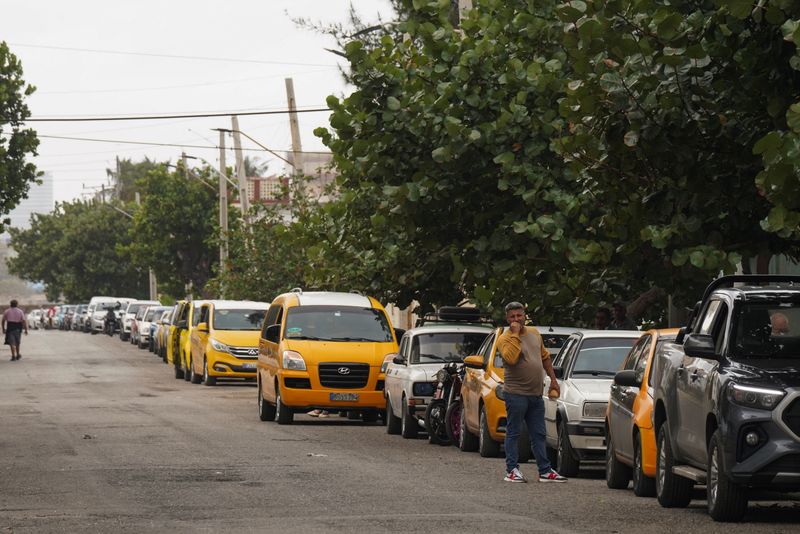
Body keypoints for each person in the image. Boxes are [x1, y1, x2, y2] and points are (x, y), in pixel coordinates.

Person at [496, 301, 567, 483]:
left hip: (536, 394)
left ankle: (544, 470)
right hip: (516, 394)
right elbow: (511, 359)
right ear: (507, 318)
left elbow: (545, 357)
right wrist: (514, 334)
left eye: (519, 315)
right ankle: (512, 470)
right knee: (514, 432)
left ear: (525, 316)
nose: (516, 319)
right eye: (512, 316)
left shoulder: (534, 333)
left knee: (539, 433)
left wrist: (553, 380)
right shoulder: (504, 338)